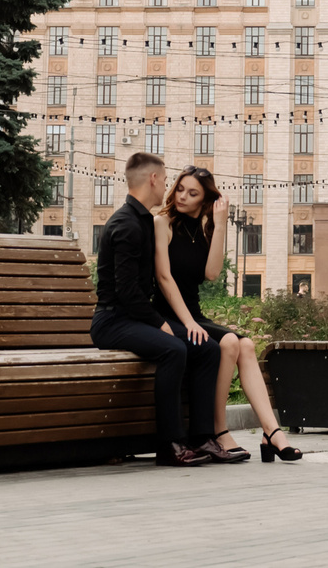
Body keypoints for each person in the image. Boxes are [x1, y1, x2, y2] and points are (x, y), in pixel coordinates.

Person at [154, 166, 300, 463]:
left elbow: (211, 273)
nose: (183, 196)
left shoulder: (206, 230)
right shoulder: (163, 223)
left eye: (193, 193)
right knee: (231, 342)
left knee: (244, 344)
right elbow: (163, 278)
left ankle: (271, 430)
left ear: (205, 200)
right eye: (180, 189)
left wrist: (220, 224)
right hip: (165, 314)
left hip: (193, 313)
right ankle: (219, 431)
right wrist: (189, 322)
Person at [90, 152, 224, 467]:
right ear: (153, 179)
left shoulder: (145, 221)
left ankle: (203, 437)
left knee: (208, 349)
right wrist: (159, 324)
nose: (167, 186)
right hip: (112, 321)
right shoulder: (126, 224)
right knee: (173, 349)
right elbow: (126, 291)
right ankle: (169, 445)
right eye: (165, 180)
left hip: (133, 318)